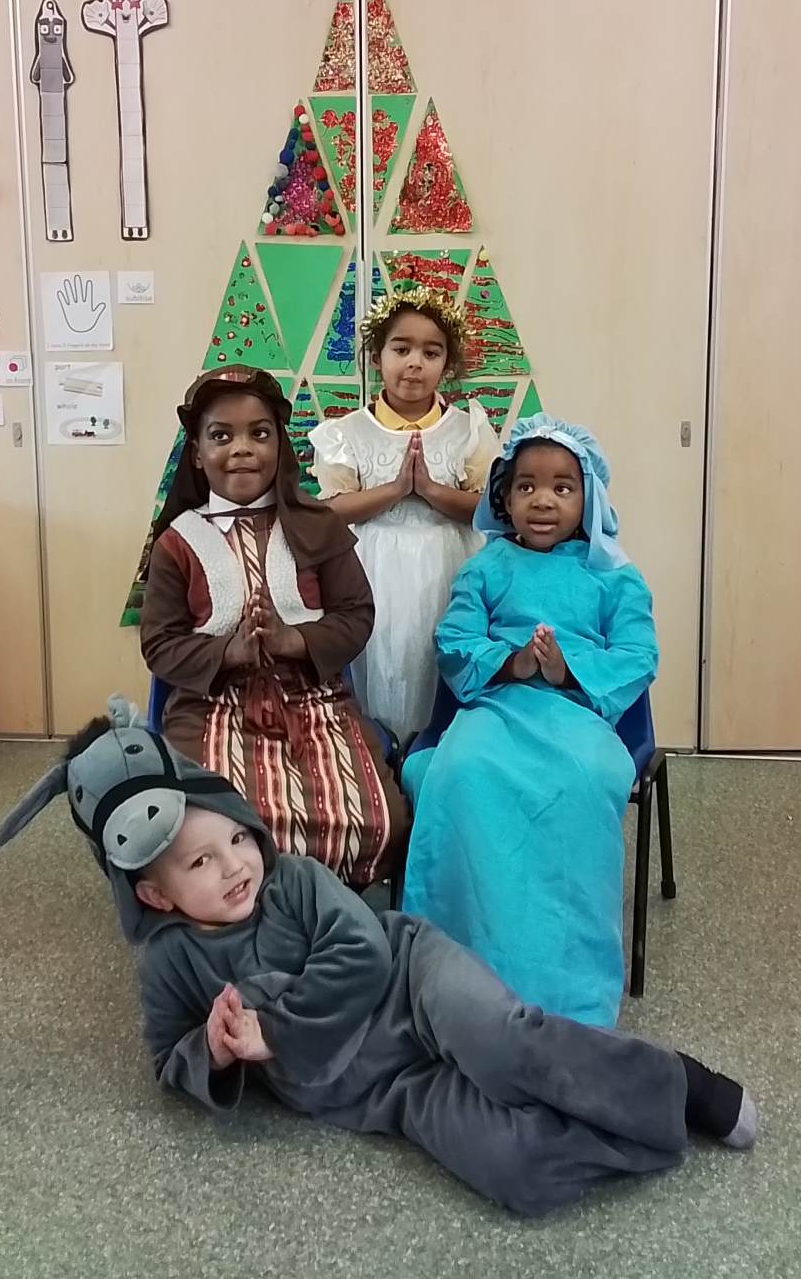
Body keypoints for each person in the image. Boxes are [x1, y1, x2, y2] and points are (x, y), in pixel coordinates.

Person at [0, 703, 756, 1217]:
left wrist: (274, 1032)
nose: (234, 867)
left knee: (504, 1045)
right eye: (198, 864)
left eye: (237, 839)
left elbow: (358, 952)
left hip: (412, 980)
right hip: (380, 1089)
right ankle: (633, 1121)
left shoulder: (295, 879)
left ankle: (676, 1083)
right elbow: (167, 1057)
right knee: (515, 1171)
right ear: (154, 895)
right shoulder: (169, 964)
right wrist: (213, 1053)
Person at [401, 416, 656, 1028]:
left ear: (589, 498)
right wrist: (513, 662)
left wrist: (567, 671)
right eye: (527, 486)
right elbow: (455, 640)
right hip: (497, 708)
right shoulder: (485, 569)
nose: (543, 500)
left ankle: (564, 981)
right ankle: (457, 971)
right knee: (460, 772)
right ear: (504, 498)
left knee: (581, 782)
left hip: (581, 717)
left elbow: (637, 656)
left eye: (563, 488)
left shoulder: (614, 577)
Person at [141, 364, 406, 890]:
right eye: (221, 436)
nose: (242, 449)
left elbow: (357, 614)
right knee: (212, 826)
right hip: (213, 705)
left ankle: (323, 912)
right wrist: (231, 652)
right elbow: (160, 644)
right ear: (196, 453)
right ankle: (243, 917)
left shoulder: (317, 525)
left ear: (280, 446)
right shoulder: (177, 542)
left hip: (313, 698)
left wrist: (293, 640)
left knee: (381, 821)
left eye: (259, 434)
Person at [309, 288, 497, 738]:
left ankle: (435, 756)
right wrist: (395, 490)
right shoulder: (346, 432)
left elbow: (488, 507)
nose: (415, 363)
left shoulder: (467, 428)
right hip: (372, 568)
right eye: (401, 349)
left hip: (450, 565)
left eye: (431, 353)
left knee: (436, 656)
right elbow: (333, 509)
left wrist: (430, 490)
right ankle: (383, 757)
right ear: (377, 358)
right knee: (383, 661)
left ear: (446, 365)